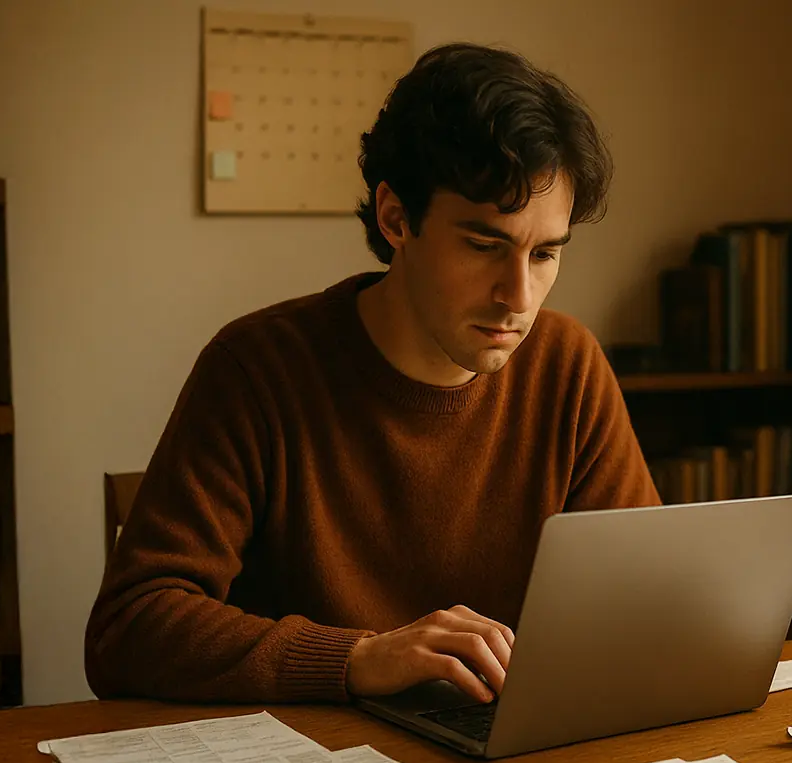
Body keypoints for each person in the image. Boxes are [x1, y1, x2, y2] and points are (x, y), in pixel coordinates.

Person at [86, 43, 660, 704]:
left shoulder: (568, 365)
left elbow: (641, 604)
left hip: (502, 761)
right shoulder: (257, 369)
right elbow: (129, 629)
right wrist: (357, 657)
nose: (520, 295)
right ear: (396, 218)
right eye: (484, 246)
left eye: (545, 254)